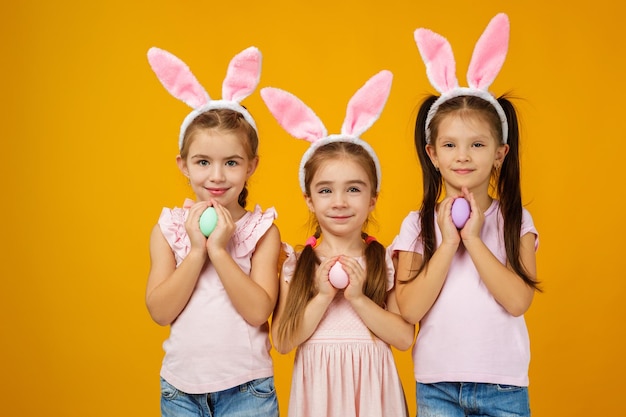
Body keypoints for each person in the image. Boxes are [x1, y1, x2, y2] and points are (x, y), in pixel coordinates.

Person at [389, 13, 541, 417]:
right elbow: (410, 309)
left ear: (499, 154)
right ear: (433, 154)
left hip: (503, 387)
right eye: (451, 145)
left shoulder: (516, 220)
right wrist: (449, 242)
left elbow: (517, 300)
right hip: (437, 386)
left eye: (477, 144)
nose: (463, 156)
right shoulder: (417, 224)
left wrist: (473, 239)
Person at [261, 70, 414, 417]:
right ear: (309, 199)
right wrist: (324, 295)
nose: (340, 201)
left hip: (376, 393)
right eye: (326, 190)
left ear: (373, 199)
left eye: (354, 189)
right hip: (319, 394)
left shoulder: (384, 258)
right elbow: (284, 342)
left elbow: (404, 339)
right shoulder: (297, 261)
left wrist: (358, 297)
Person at [145, 46, 281, 417]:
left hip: (247, 390)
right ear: (183, 165)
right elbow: (160, 310)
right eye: (203, 162)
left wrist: (220, 252)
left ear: (251, 166)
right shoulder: (169, 228)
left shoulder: (261, 231)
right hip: (180, 392)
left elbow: (258, 312)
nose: (217, 176)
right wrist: (195, 251)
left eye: (231, 162)